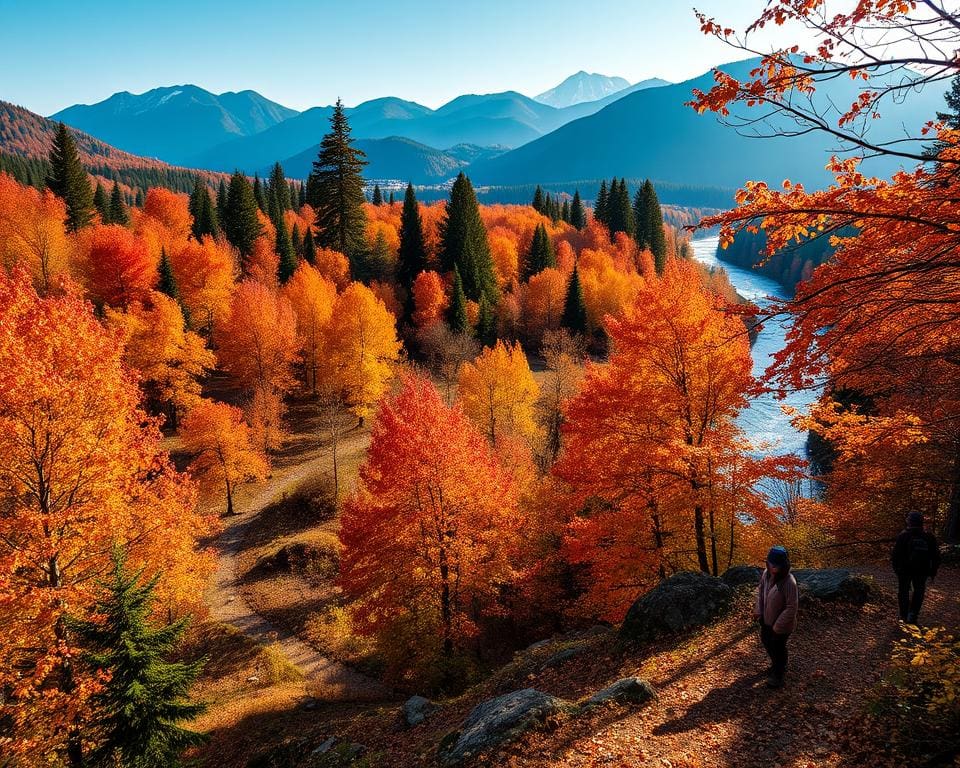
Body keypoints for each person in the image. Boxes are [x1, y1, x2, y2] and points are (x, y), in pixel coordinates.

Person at [753, 545, 799, 689]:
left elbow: (792, 607)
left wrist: (778, 626)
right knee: (766, 642)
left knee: (778, 647)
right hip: (766, 620)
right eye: (771, 564)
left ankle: (778, 675)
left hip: (782, 625)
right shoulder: (766, 574)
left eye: (777, 565)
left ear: (783, 565)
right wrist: (758, 610)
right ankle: (777, 664)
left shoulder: (789, 582)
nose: (774, 568)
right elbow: (761, 592)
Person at [891, 511, 941, 624]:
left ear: (909, 521)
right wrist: (933, 571)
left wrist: (896, 568)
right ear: (921, 522)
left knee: (903, 590)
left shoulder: (903, 535)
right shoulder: (929, 537)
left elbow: (895, 554)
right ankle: (913, 614)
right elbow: (936, 556)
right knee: (919, 591)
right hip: (922, 570)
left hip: (904, 569)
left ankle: (904, 614)